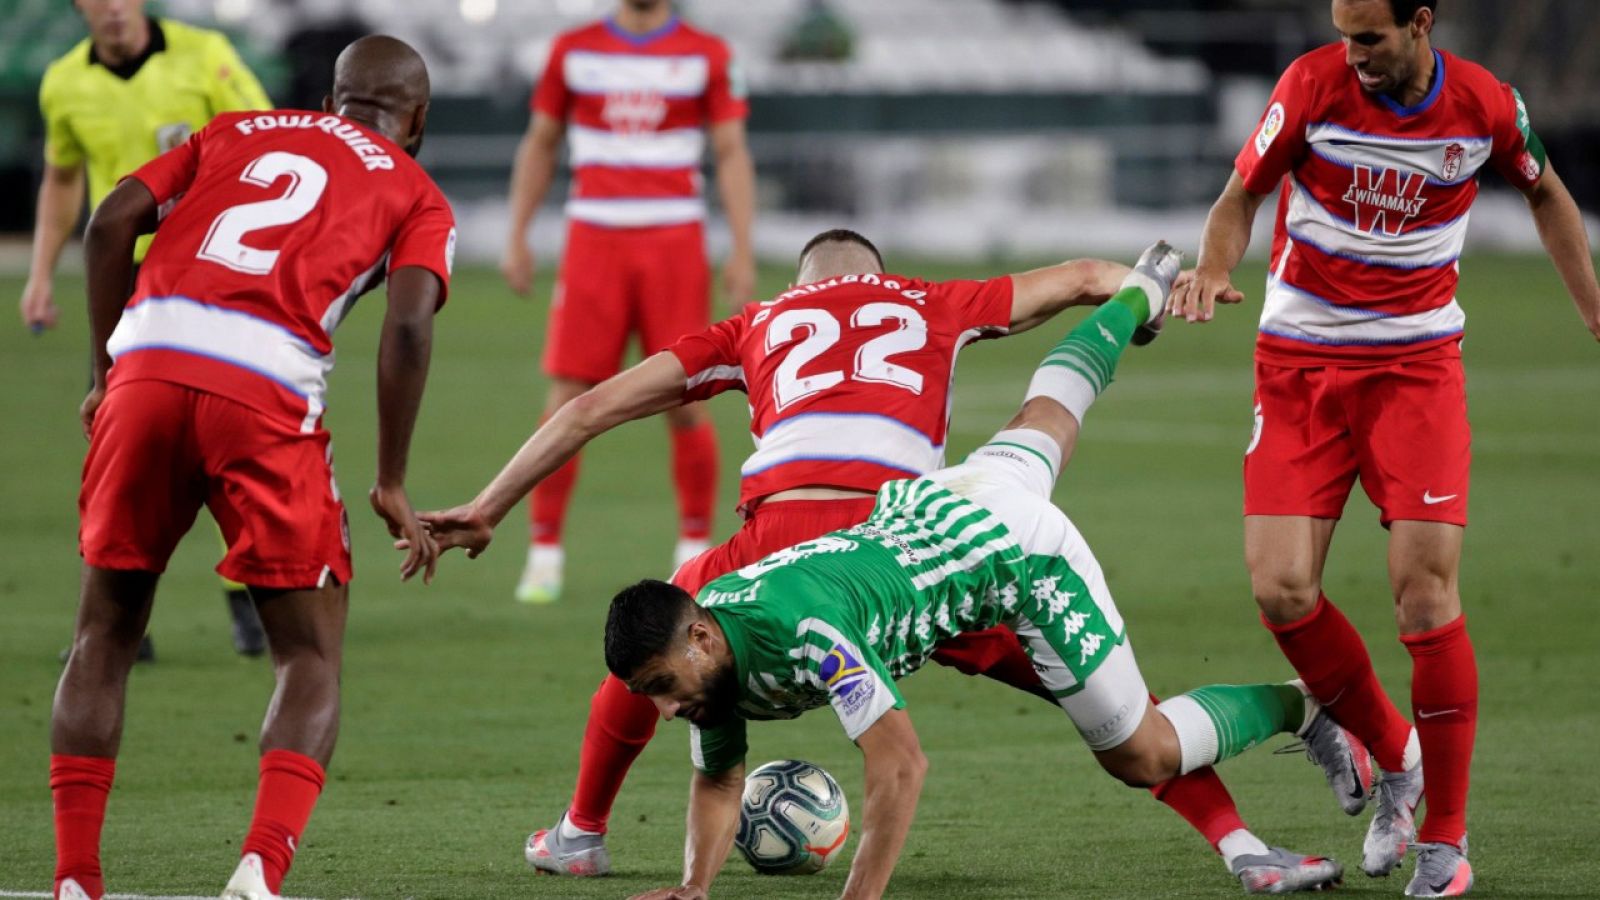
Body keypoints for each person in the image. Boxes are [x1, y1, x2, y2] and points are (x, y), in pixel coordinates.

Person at [419, 234, 1354, 893]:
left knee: (658, 650)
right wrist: (1139, 295)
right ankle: (1242, 843)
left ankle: (581, 832)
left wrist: (488, 505)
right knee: (1118, 717)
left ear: (804, 281)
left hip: (781, 537)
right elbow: (1077, 277)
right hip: (913, 541)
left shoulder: (758, 323)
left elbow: (589, 408)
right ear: (875, 272)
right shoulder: (927, 300)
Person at [1168, 1, 1600, 896]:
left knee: (1425, 598)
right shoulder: (1310, 87)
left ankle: (1445, 840)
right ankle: (1396, 756)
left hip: (1415, 370)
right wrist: (1213, 266)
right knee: (1280, 589)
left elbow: (1548, 192)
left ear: (1420, 23)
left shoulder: (1485, 107)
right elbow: (1240, 194)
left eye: (1368, 37)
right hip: (1299, 364)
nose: (1352, 53)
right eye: (1342, 34)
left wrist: (1595, 311)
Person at [51, 35, 452, 900]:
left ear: (333, 98)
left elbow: (111, 220)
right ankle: (259, 868)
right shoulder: (415, 190)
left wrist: (107, 375)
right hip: (264, 393)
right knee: (309, 655)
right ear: (417, 119)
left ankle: (75, 878)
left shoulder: (234, 129)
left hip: (146, 371)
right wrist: (390, 478)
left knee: (103, 636)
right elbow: (409, 323)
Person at [25, 0, 276, 659]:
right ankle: (119, 620)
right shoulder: (64, 82)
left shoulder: (205, 56)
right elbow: (62, 179)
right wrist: (41, 274)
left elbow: (267, 140)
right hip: (123, 280)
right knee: (118, 444)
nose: (112, 8)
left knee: (227, 436)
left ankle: (248, 597)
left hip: (205, 274)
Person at [501, 0, 757, 603]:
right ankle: (544, 553)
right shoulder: (572, 49)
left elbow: (730, 151)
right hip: (594, 238)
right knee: (568, 396)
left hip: (674, 239)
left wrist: (742, 247)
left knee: (686, 397)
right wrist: (518, 233)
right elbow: (541, 142)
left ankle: (693, 549)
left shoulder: (707, 53)